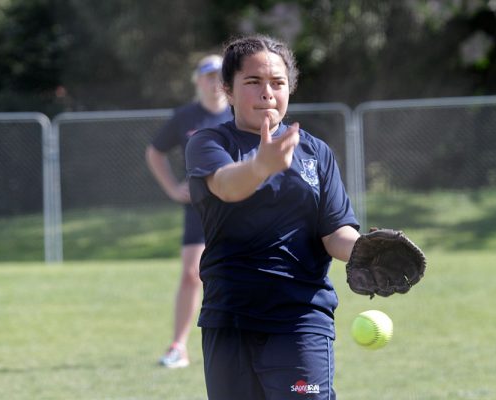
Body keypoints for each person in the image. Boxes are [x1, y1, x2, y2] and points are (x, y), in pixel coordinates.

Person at [185, 35, 361, 399]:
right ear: (228, 90)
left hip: (300, 320)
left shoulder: (315, 152)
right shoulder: (209, 143)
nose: (267, 93)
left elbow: (335, 232)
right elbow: (227, 186)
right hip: (229, 318)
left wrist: (367, 251)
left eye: (278, 83)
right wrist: (261, 166)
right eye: (253, 82)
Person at [145, 54, 233, 369]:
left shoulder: (239, 114)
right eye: (208, 75)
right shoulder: (186, 117)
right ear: (198, 81)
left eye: (220, 75)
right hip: (200, 208)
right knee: (191, 274)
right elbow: (155, 151)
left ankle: (244, 344)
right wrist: (171, 188)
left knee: (242, 273)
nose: (214, 81)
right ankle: (178, 346)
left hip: (238, 208)